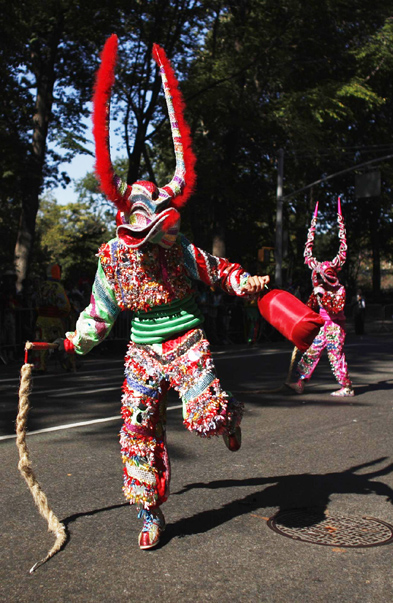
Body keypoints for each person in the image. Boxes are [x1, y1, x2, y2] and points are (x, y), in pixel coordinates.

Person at [57, 36, 269, 551]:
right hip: (141, 350)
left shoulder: (180, 250)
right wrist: (74, 343)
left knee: (206, 418)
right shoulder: (111, 257)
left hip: (186, 339)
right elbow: (100, 312)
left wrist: (247, 282)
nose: (153, 235)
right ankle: (149, 514)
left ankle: (229, 414)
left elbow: (218, 270)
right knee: (137, 429)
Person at [287, 198, 354, 397]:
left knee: (335, 356)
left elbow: (335, 308)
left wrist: (322, 296)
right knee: (312, 352)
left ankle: (347, 386)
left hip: (335, 327)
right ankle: (300, 382)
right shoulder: (319, 289)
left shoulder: (339, 290)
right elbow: (310, 306)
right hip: (323, 327)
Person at [33, 264, 71, 372]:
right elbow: (65, 305)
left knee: (41, 341)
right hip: (54, 319)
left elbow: (35, 302)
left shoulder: (41, 286)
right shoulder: (57, 286)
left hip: (41, 318)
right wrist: (65, 313)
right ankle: (66, 363)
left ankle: (40, 364)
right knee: (59, 342)